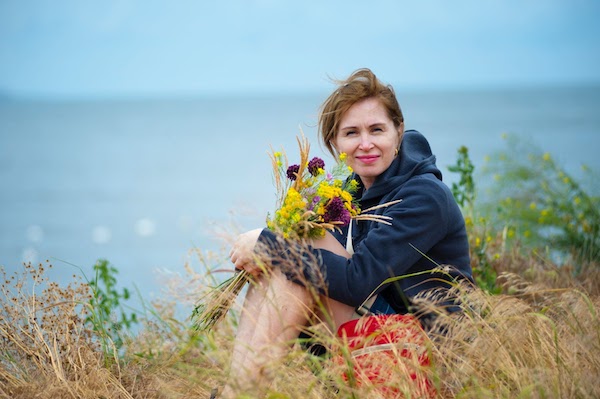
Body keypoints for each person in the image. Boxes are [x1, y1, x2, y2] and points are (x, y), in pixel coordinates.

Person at [222, 68, 472, 397]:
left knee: (293, 258)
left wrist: (268, 243)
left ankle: (239, 392)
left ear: (398, 132)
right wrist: (276, 248)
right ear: (334, 142)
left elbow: (355, 282)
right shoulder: (351, 191)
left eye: (377, 129)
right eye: (352, 133)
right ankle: (237, 389)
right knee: (295, 253)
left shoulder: (425, 197)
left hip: (429, 359)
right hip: (384, 334)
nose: (365, 144)